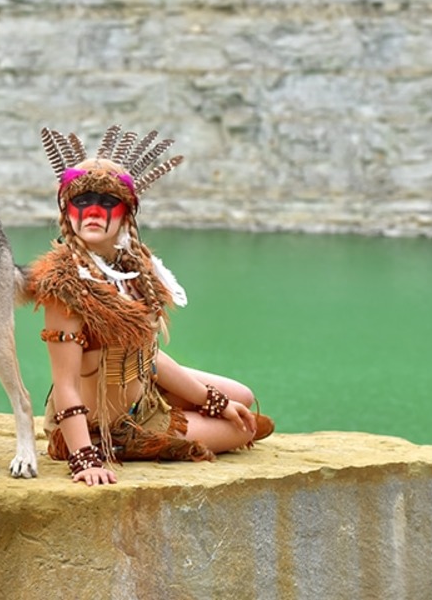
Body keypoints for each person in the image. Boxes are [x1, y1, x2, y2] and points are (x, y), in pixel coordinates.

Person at [28, 126, 274, 486]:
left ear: (126, 214)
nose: (93, 212)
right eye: (81, 202)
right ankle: (109, 442)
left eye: (107, 203)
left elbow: (149, 357)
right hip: (109, 424)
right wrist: (84, 460)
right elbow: (64, 383)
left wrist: (215, 403)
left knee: (241, 397)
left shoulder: (135, 270)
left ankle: (187, 410)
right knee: (243, 431)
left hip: (141, 393)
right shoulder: (66, 287)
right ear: (67, 212)